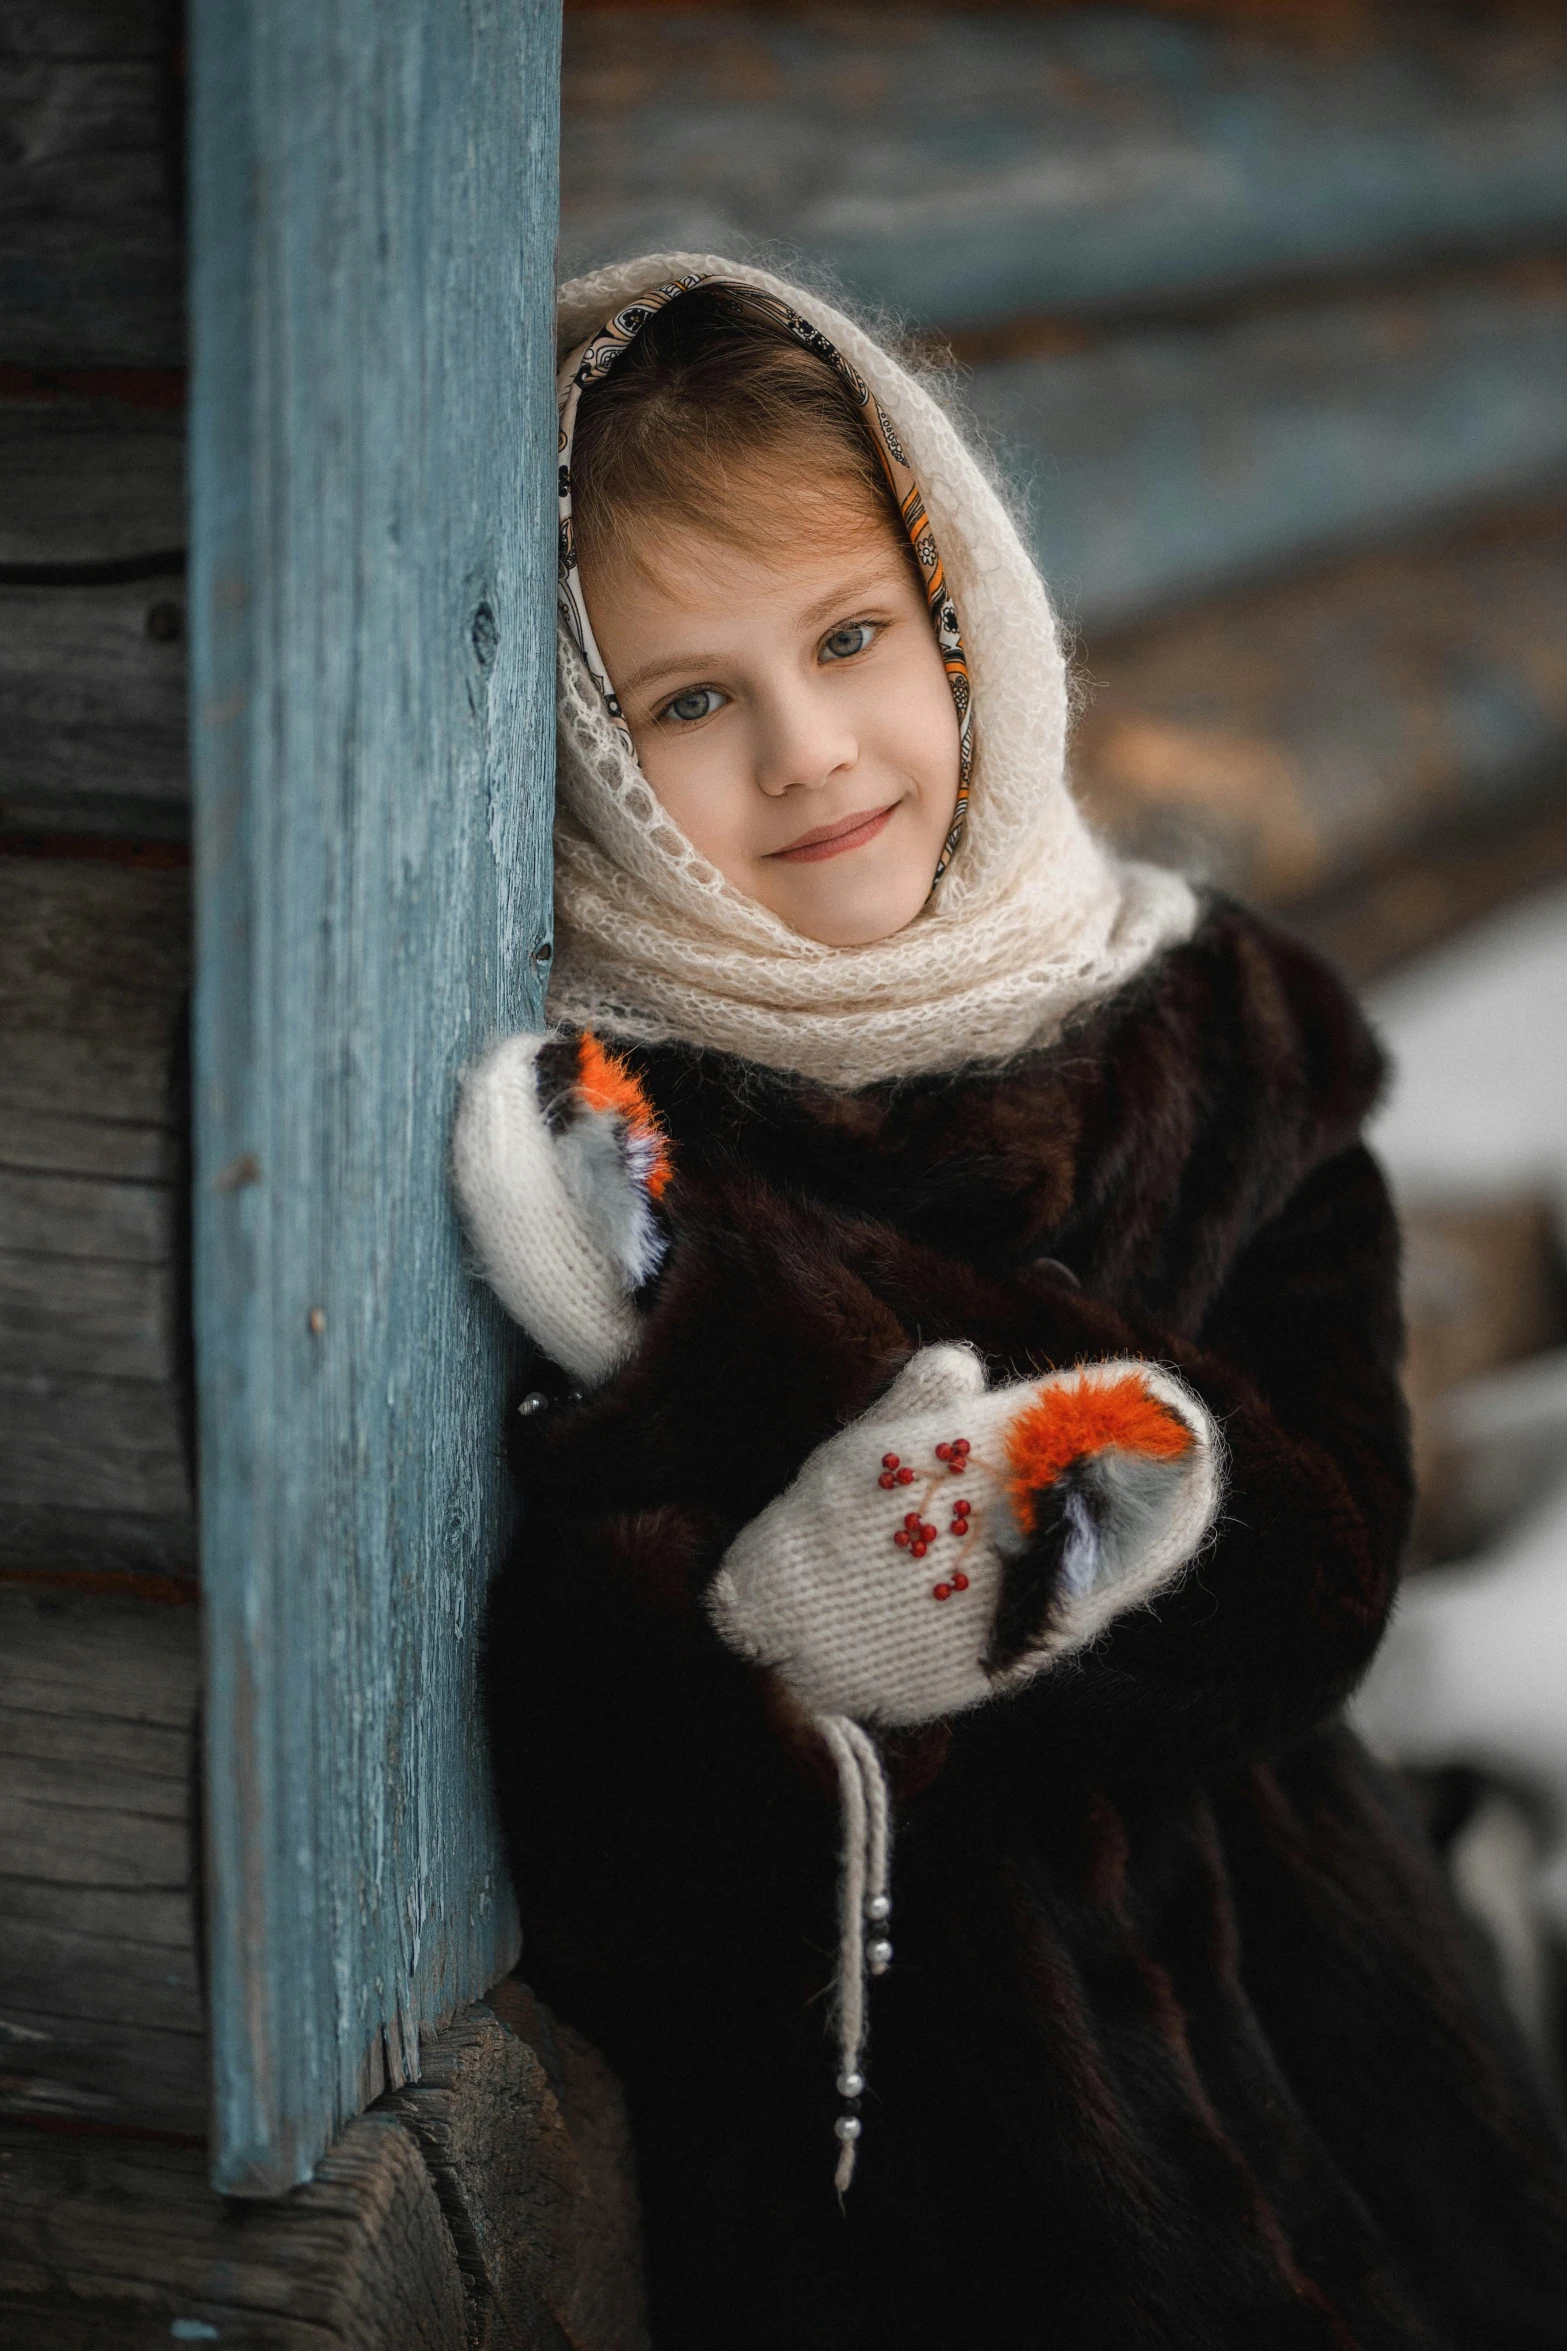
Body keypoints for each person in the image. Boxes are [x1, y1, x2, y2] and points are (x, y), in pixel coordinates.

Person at [452, 259, 1567, 2350]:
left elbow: (1322, 1566)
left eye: (851, 637)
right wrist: (792, 1641)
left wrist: (748, 1329)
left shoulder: (1223, 1031)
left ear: (962, 607)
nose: (806, 750)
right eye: (689, 701)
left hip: (1329, 2041)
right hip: (939, 2177)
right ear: (588, 751)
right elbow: (615, 1838)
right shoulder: (594, 1138)